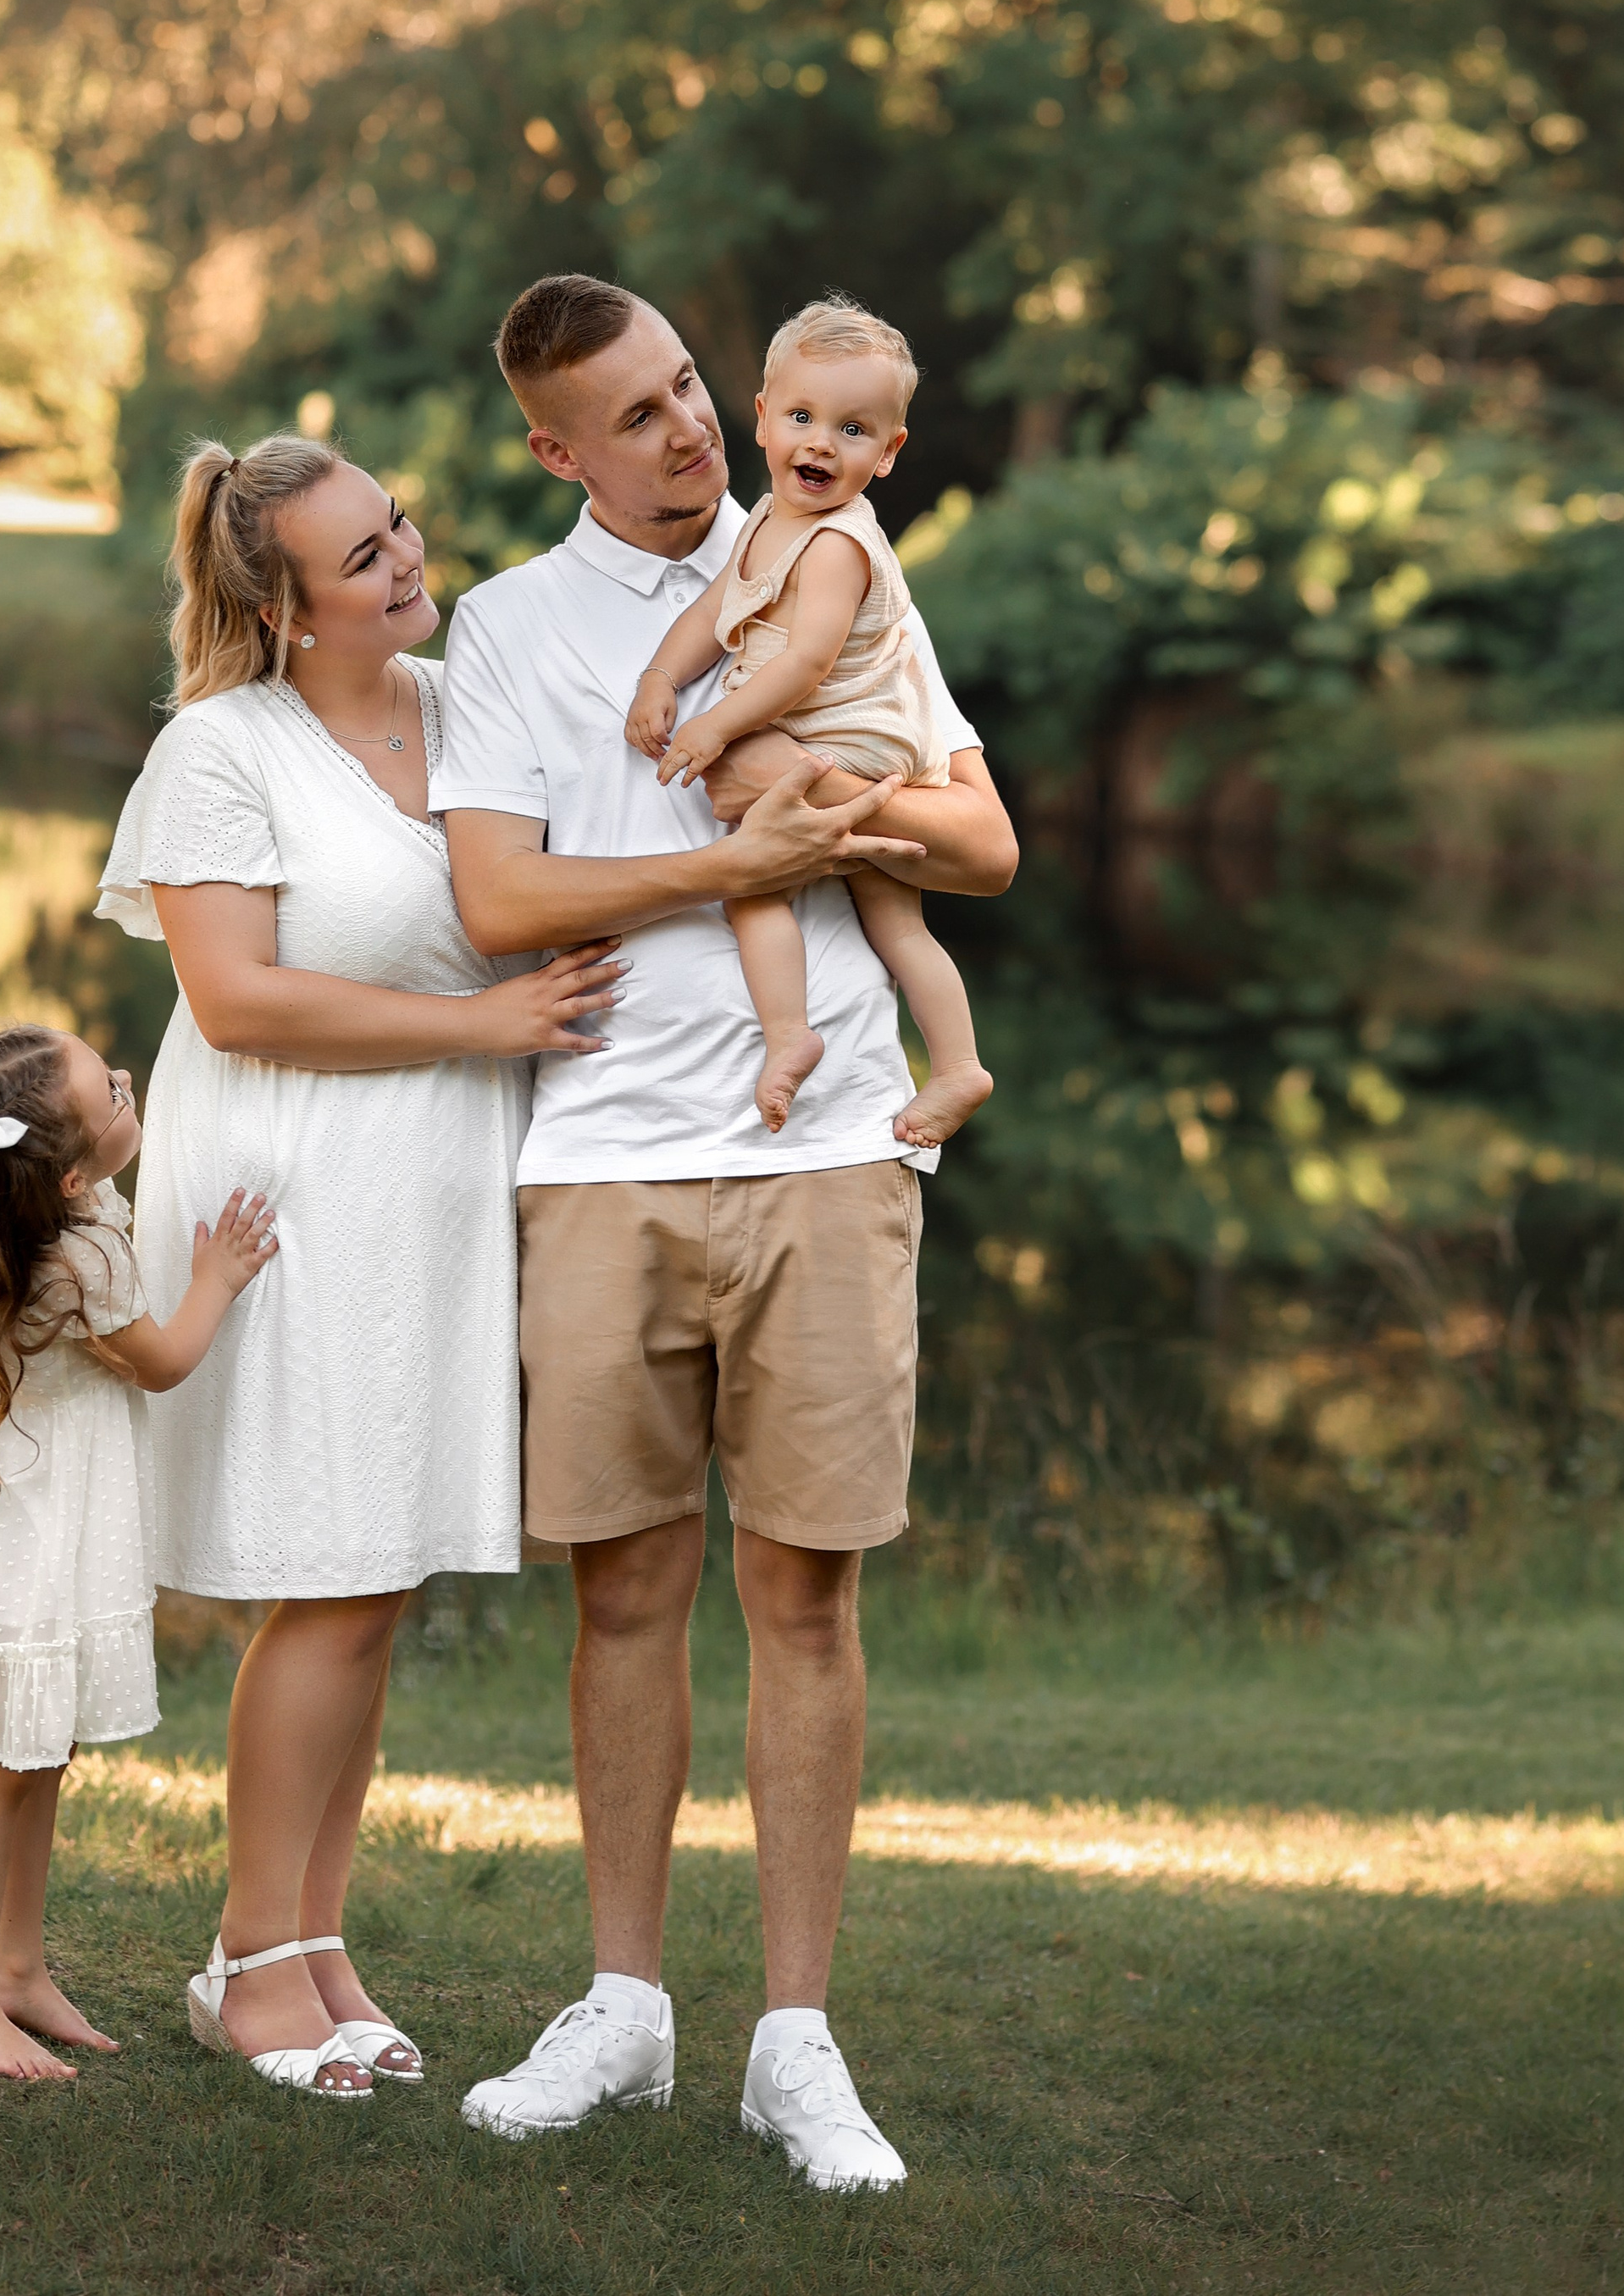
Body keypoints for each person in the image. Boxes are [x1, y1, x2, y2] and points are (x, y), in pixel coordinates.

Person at [434, 276, 1018, 2191]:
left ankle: (794, 2038)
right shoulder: (508, 629)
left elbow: (984, 847)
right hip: (600, 1153)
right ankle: (619, 2004)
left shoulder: (848, 552)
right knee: (618, 1589)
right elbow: (503, 900)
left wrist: (837, 819)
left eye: (692, 384)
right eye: (638, 412)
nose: (687, 428)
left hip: (834, 1141)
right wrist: (734, 860)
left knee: (806, 1593)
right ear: (555, 453)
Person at [94, 434, 618, 2100]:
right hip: (288, 1184)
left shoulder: (458, 699)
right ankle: (248, 1960)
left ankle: (318, 1946)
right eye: (363, 554)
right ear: (281, 604)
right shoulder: (219, 748)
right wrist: (474, 1021)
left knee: (373, 1580)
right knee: (322, 1577)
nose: (406, 556)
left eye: (397, 521)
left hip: (433, 1187)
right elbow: (238, 995)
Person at [0, 1020, 277, 2082]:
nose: (131, 1082)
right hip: (35, 1528)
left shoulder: (16, 1221)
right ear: (77, 1165)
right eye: (116, 1094)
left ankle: (15, 1967)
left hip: (0, 1509)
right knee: (1, 1767)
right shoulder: (82, 1249)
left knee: (37, 1751)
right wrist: (219, 1279)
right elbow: (163, 1362)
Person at [625, 296, 992, 1145]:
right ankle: (950, 1060)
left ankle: (795, 1036)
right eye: (801, 416)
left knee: (754, 882)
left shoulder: (836, 544)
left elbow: (805, 664)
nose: (821, 441)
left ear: (889, 452)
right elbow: (713, 614)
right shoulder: (767, 523)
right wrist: (659, 678)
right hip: (840, 739)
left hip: (847, 736)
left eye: (853, 428)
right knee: (891, 919)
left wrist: (715, 727)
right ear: (761, 420)